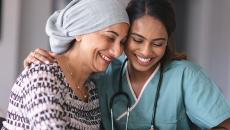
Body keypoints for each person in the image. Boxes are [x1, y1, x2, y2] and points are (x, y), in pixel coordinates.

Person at [23, 0, 230, 129]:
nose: (146, 52)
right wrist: (44, 64)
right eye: (137, 40)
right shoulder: (104, 73)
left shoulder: (186, 77)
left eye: (158, 43)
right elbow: (70, 72)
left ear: (168, 42)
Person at [2, 0, 129, 129]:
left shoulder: (91, 91)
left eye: (122, 42)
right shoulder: (43, 75)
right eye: (110, 38)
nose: (118, 51)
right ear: (80, 31)